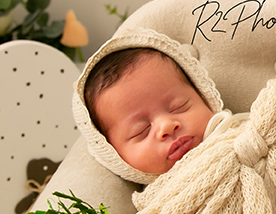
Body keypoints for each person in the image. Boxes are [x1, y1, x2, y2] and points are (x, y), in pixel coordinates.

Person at [84, 47, 215, 175]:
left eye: (179, 107)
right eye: (142, 130)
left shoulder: (232, 137)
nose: (167, 126)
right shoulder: (156, 196)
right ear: (114, 155)